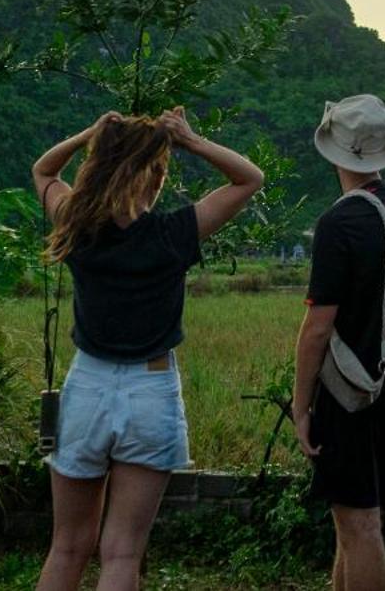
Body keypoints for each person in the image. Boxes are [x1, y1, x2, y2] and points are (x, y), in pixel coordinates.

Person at [31, 107, 263, 591]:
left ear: (99, 166)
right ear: (152, 175)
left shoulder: (76, 224)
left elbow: (44, 170)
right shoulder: (172, 234)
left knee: (68, 546)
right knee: (121, 553)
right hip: (151, 388)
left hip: (88, 385)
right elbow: (248, 179)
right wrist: (191, 139)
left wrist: (89, 133)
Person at [292, 94, 385, 591]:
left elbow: (317, 327)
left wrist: (300, 406)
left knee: (360, 526)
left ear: (336, 152)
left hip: (346, 396)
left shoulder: (338, 222)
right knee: (351, 523)